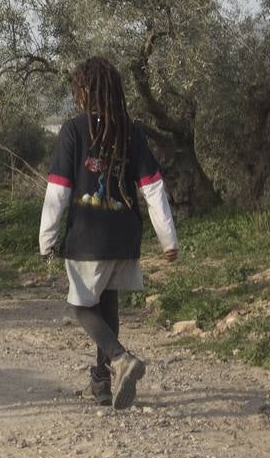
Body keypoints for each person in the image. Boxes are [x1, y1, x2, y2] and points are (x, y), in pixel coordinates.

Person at [39, 56, 179, 410]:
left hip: (88, 238)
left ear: (85, 90)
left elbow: (58, 190)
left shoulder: (72, 130)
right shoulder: (130, 130)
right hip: (125, 237)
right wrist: (168, 239)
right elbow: (153, 187)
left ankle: (119, 359)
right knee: (108, 304)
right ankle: (103, 384)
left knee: (81, 308)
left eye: (78, 89)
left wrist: (47, 238)